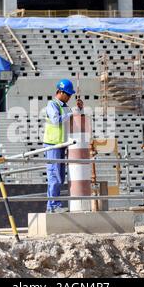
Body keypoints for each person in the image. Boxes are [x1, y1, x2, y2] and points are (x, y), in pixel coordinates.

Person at [43, 79, 83, 213]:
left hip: (62, 144)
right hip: (52, 144)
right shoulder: (52, 105)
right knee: (54, 175)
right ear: (60, 92)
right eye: (68, 94)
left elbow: (72, 119)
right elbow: (56, 120)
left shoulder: (65, 107)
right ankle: (53, 205)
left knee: (60, 176)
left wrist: (79, 110)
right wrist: (72, 113)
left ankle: (53, 205)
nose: (69, 97)